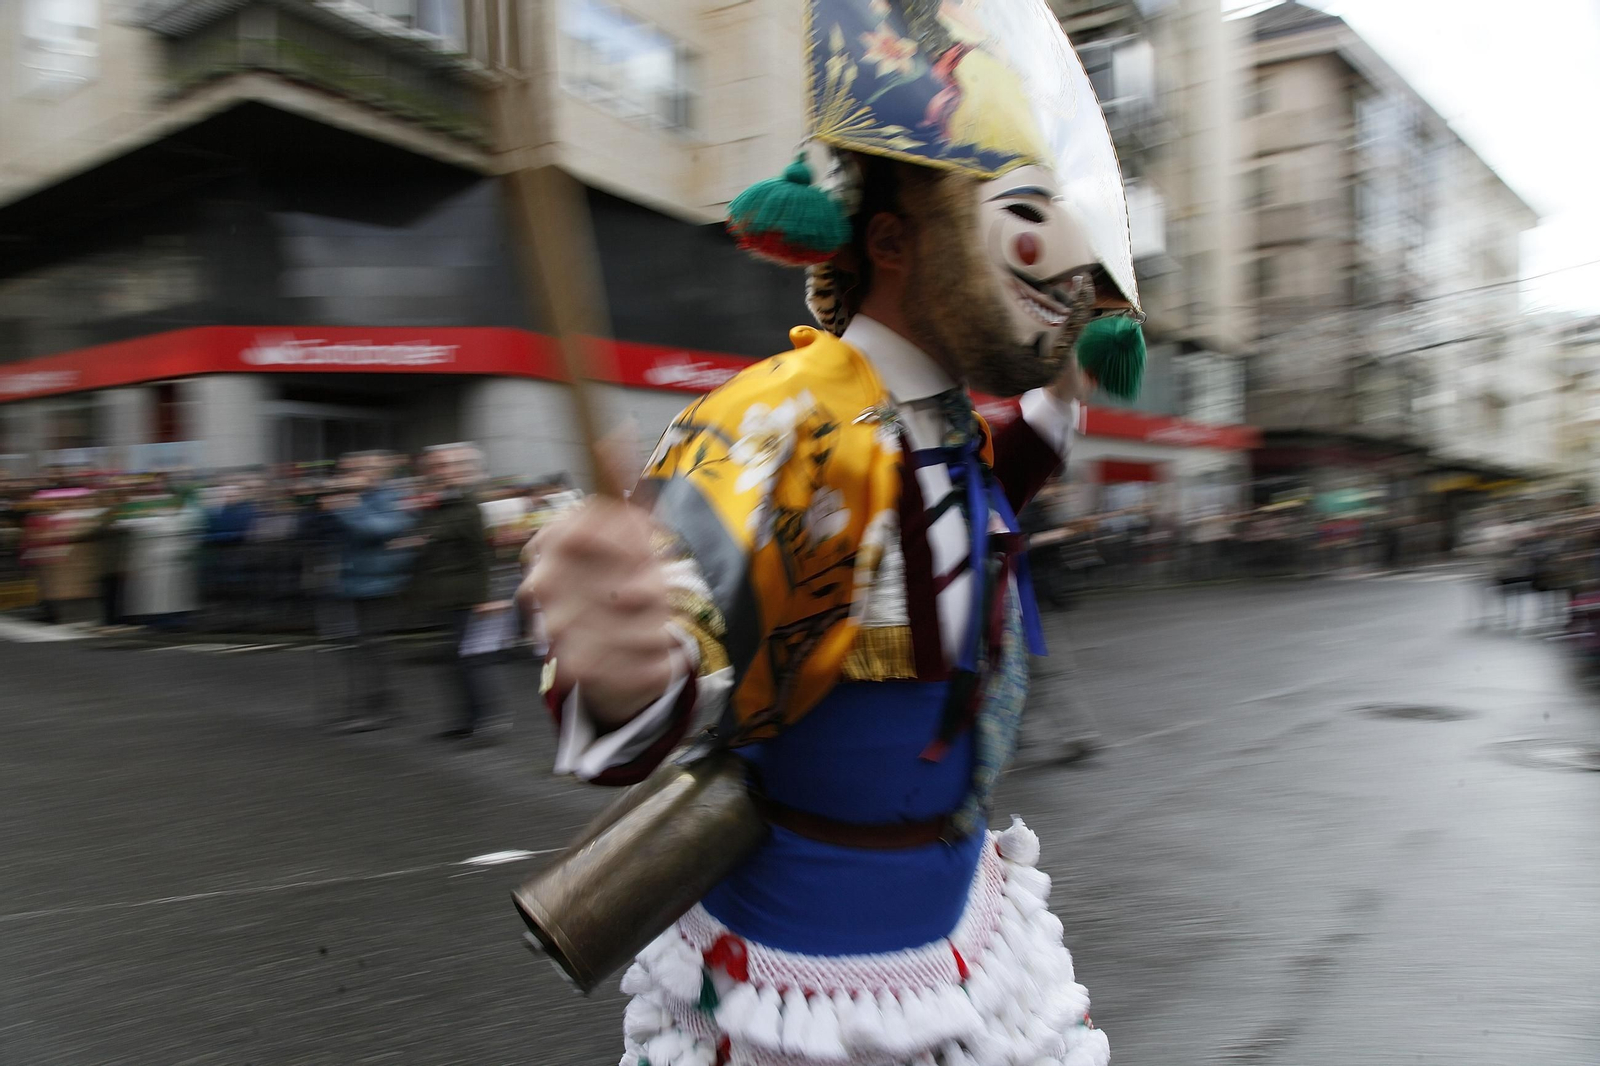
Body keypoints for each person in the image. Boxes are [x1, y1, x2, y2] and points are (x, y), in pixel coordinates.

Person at [522, 4, 1140, 1063]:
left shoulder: (953, 429)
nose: (1070, 269)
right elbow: (667, 663)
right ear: (893, 239)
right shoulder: (781, 415)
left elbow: (1004, 473)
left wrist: (1074, 365)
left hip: (962, 924)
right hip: (810, 969)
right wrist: (625, 664)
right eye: (1030, 216)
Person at [410, 443, 502, 740]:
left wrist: (487, 597)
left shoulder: (469, 505)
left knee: (470, 660)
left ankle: (487, 719)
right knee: (455, 660)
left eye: (443, 466)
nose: (437, 472)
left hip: (470, 597)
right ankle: (467, 720)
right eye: (434, 466)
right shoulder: (442, 503)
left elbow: (483, 554)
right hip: (447, 595)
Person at [322, 451, 415, 731]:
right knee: (358, 648)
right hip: (352, 581)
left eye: (362, 469)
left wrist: (346, 507)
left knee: (372, 648)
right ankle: (375, 706)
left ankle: (376, 710)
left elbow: (379, 529)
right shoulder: (356, 497)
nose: (354, 474)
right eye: (350, 469)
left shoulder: (392, 496)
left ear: (379, 471)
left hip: (378, 584)